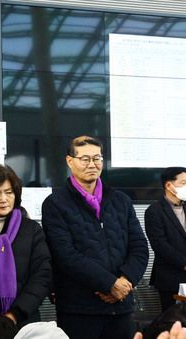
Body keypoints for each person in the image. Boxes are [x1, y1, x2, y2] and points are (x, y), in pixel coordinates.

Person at [41, 135, 149, 339]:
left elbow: (140, 247)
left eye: (97, 158)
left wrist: (125, 282)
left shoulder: (121, 200)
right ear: (69, 161)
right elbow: (65, 256)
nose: (93, 164)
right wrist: (109, 284)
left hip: (121, 306)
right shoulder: (55, 203)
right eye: (85, 159)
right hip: (80, 309)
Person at [0, 164, 52, 339]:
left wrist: (13, 315)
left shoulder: (31, 230)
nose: (3, 199)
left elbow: (42, 275)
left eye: (9, 192)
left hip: (24, 323)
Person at [145, 167, 186, 313]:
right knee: (174, 321)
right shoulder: (154, 211)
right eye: (183, 182)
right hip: (170, 277)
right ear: (169, 186)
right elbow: (160, 245)